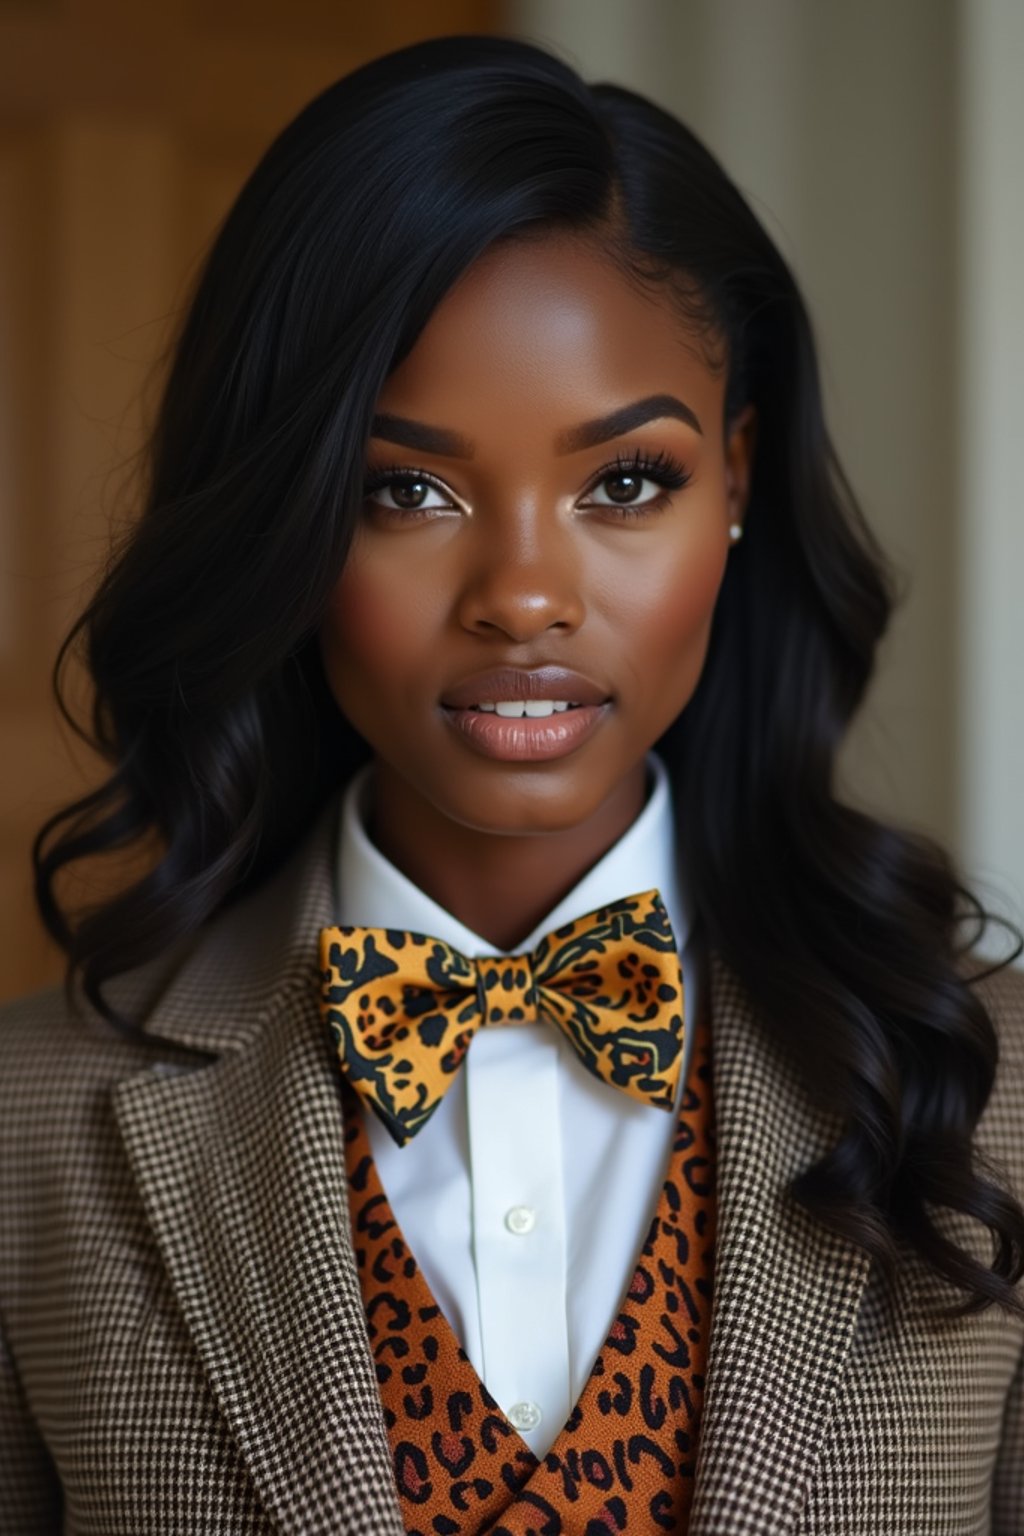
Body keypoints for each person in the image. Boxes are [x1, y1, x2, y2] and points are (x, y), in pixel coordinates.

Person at [1, 31, 1022, 1536]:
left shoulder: (995, 1097)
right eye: (404, 489)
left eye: (627, 483)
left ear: (735, 480)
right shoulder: (29, 1130)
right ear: (289, 519)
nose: (525, 596)